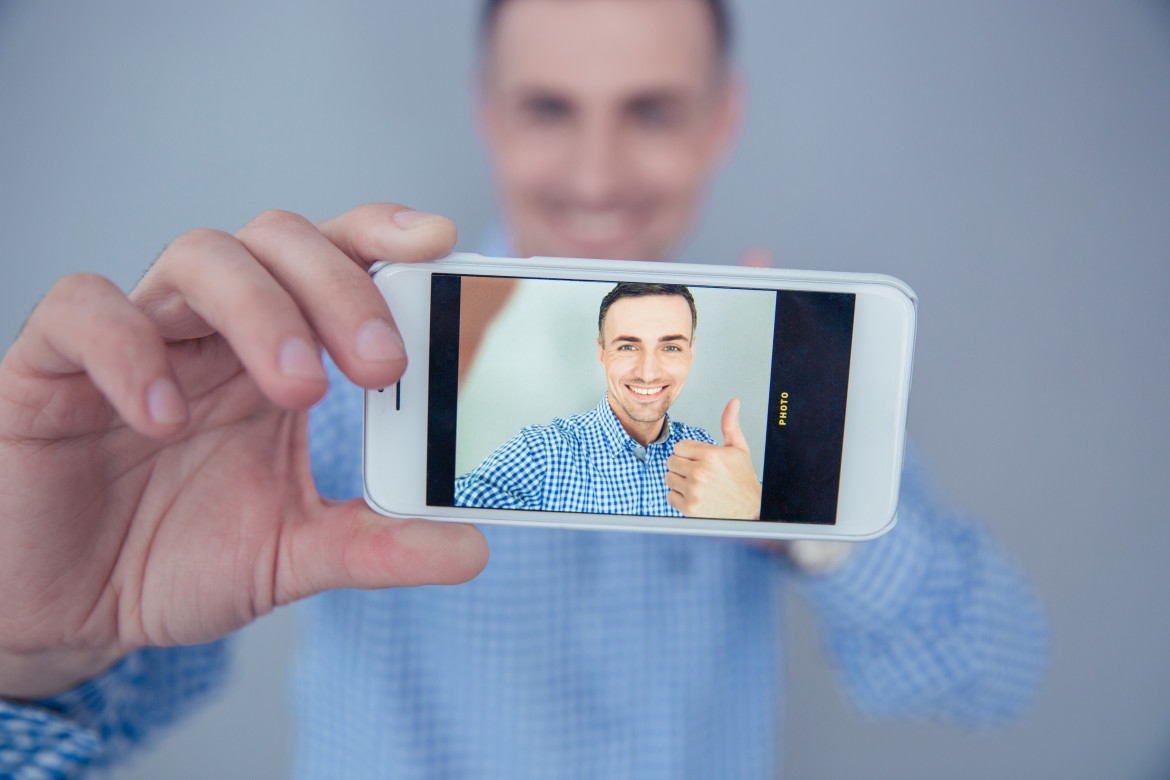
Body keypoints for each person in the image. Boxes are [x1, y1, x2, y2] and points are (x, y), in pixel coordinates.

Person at [0, 0, 1046, 778]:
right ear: (488, 115)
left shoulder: (791, 384)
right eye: (550, 108)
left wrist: (808, 517)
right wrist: (39, 646)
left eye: (651, 110)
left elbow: (996, 674)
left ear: (721, 121)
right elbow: (102, 715)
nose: (596, 175)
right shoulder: (324, 371)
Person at [456, 282, 762, 519]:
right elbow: (443, 510)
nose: (648, 372)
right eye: (628, 347)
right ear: (602, 354)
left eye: (670, 348)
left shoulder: (707, 454)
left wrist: (756, 506)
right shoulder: (540, 456)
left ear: (690, 355)